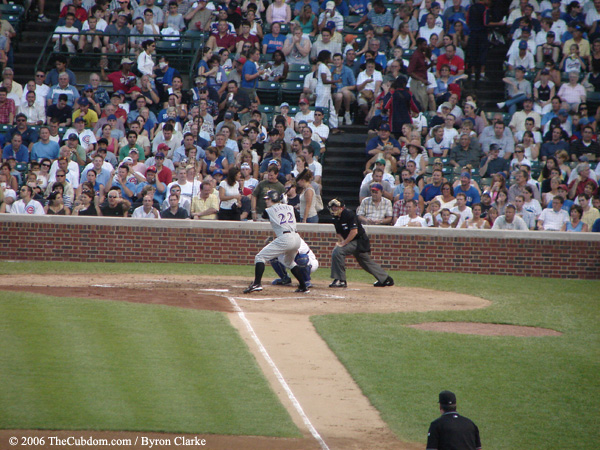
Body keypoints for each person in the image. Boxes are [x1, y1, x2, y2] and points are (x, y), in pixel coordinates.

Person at [243, 190, 309, 294]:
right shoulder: (290, 207)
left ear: (273, 198)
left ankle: (257, 284)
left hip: (286, 238)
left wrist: (280, 204)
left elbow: (265, 215)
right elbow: (292, 213)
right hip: (296, 238)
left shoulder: (269, 210)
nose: (266, 201)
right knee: (289, 262)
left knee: (260, 257)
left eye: (268, 199)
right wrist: (283, 204)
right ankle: (303, 286)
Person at [328, 197, 394, 288]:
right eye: (332, 207)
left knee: (338, 251)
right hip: (351, 241)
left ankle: (340, 280)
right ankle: (385, 279)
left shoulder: (348, 214)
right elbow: (338, 233)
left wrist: (344, 244)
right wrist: (342, 241)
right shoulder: (335, 218)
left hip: (360, 241)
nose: (334, 208)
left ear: (342, 207)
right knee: (365, 262)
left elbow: (354, 231)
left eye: (336, 206)